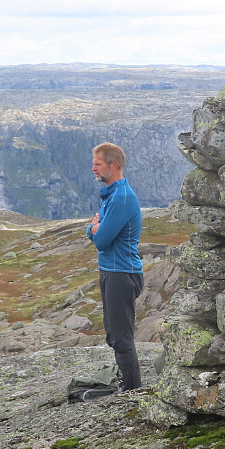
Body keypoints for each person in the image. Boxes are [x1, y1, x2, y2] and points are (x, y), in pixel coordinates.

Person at [87, 142, 144, 391]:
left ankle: (131, 389)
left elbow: (101, 240)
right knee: (113, 332)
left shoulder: (121, 198)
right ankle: (127, 383)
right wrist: (95, 228)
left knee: (121, 336)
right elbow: (99, 233)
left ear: (114, 165)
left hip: (121, 273)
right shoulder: (112, 195)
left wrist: (93, 228)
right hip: (113, 271)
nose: (93, 169)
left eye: (97, 164)